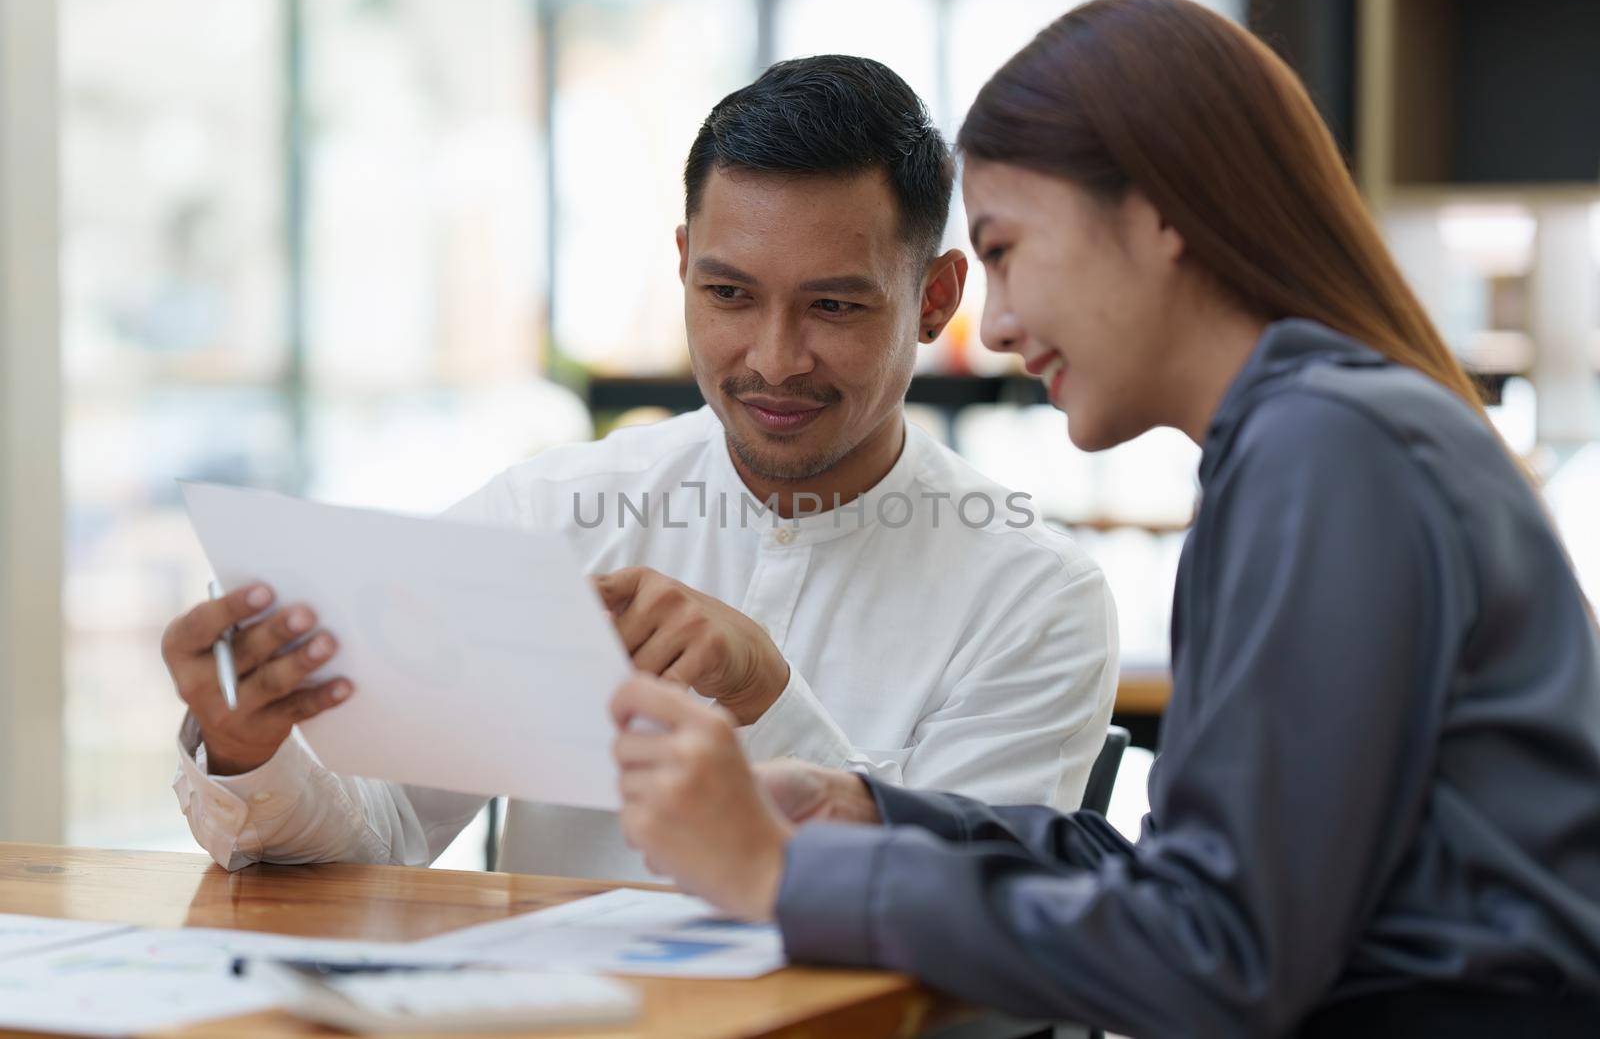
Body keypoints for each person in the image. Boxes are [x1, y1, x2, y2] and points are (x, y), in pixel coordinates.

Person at [605, 0, 1600, 1037]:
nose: (995, 325)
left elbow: (1217, 955)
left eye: (1004, 249)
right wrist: (870, 813)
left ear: (1155, 216)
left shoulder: (1323, 448)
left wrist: (787, 874)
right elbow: (1208, 888)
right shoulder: (1319, 433)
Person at [162, 55, 1118, 882]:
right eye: (730, 293)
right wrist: (252, 749)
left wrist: (769, 698)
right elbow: (384, 835)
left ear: (936, 298)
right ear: (683, 265)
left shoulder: (1032, 595)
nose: (774, 357)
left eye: (833, 307)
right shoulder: (554, 515)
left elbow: (965, 922)